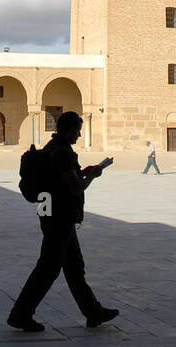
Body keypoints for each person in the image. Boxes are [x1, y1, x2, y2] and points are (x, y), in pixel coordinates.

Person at [8, 111, 119, 331]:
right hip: (60, 217)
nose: (79, 134)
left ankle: (92, 311)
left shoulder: (52, 148)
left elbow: (60, 178)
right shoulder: (62, 153)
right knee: (48, 268)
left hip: (52, 213)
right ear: (68, 129)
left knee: (74, 267)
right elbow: (75, 187)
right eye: (77, 130)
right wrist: (92, 176)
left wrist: (82, 171)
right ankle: (21, 314)